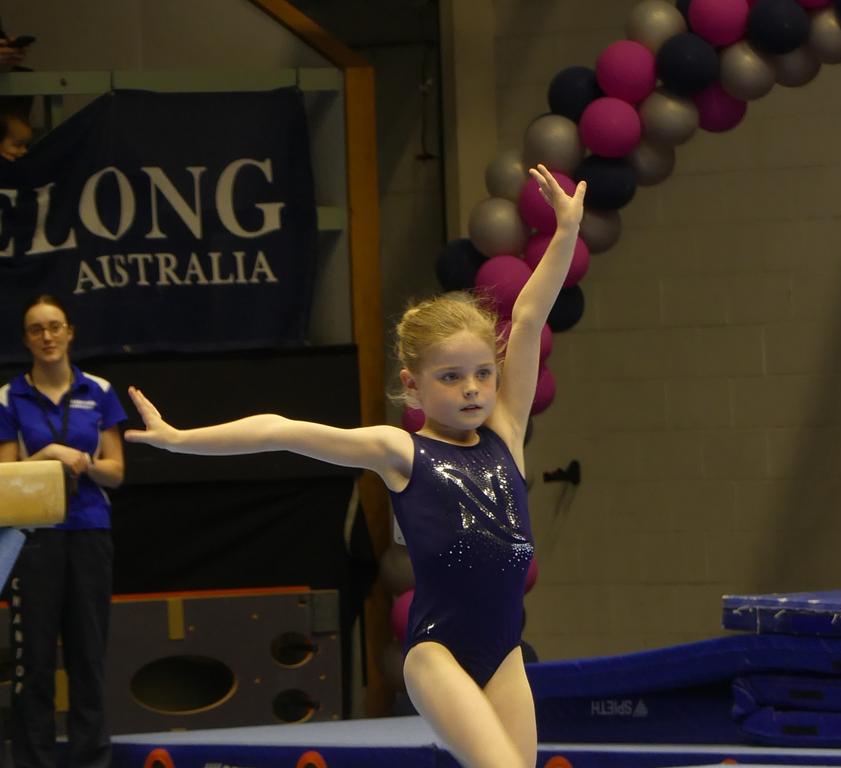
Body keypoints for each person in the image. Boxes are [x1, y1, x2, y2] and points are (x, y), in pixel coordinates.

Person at [125, 164, 585, 768]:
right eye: (450, 377)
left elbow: (526, 319)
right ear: (412, 387)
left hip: (503, 654)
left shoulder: (506, 434)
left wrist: (566, 229)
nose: (472, 389)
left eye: (482, 374)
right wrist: (182, 440)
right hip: (436, 654)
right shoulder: (402, 453)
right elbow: (283, 431)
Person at [0, 295, 126, 768]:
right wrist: (49, 453)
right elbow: (5, 474)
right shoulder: (11, 396)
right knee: (33, 658)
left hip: (90, 530)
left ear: (70, 332)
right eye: (36, 329)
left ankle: (91, 759)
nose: (47, 337)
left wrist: (85, 463)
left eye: (55, 327)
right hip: (32, 537)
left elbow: (116, 472)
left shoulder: (100, 390)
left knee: (87, 653)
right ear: (26, 339)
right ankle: (32, 761)